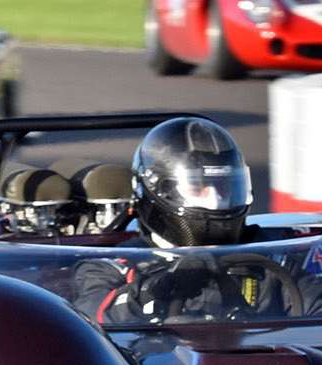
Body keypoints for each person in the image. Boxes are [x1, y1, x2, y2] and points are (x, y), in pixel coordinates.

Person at [70, 117, 273, 324]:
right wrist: (153, 291)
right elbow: (91, 317)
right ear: (160, 191)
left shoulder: (268, 258)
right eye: (198, 188)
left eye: (224, 188)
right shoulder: (111, 268)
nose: (215, 201)